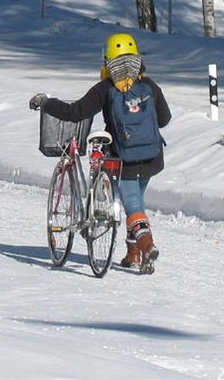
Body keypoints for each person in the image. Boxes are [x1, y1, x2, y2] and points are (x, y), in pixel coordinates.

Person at [29, 32, 172, 274]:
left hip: (122, 157)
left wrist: (47, 103)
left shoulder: (106, 88)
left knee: (132, 204)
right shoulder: (148, 85)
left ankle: (147, 245)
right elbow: (164, 119)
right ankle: (133, 253)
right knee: (134, 203)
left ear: (107, 59)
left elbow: (75, 112)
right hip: (151, 157)